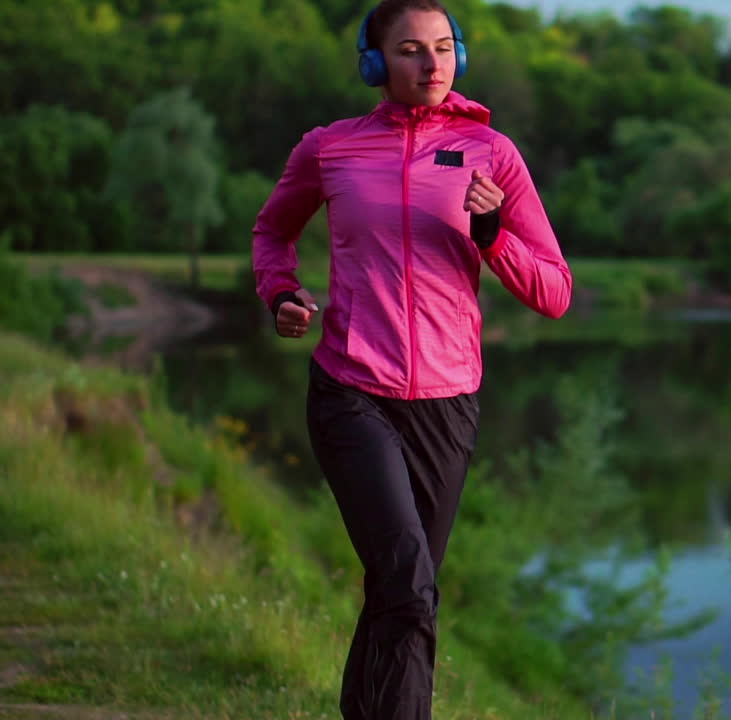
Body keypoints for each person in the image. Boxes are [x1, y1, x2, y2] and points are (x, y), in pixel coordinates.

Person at [250, 1, 572, 717]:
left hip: (447, 404)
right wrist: (280, 293)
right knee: (410, 586)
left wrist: (491, 236)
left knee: (401, 591)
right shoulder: (330, 148)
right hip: (351, 390)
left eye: (442, 47)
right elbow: (272, 232)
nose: (430, 64)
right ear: (375, 63)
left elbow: (554, 293)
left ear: (459, 52)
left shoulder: (493, 155)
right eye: (408, 50)